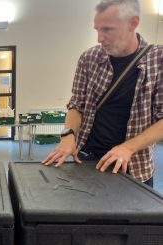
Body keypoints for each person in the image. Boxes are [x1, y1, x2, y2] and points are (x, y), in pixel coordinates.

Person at [43, 0, 163, 187]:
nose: (100, 38)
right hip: (86, 161)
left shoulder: (158, 60)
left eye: (107, 29)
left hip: (134, 168)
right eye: (97, 30)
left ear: (133, 23)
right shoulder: (89, 58)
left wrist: (127, 148)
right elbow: (77, 105)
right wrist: (68, 135)